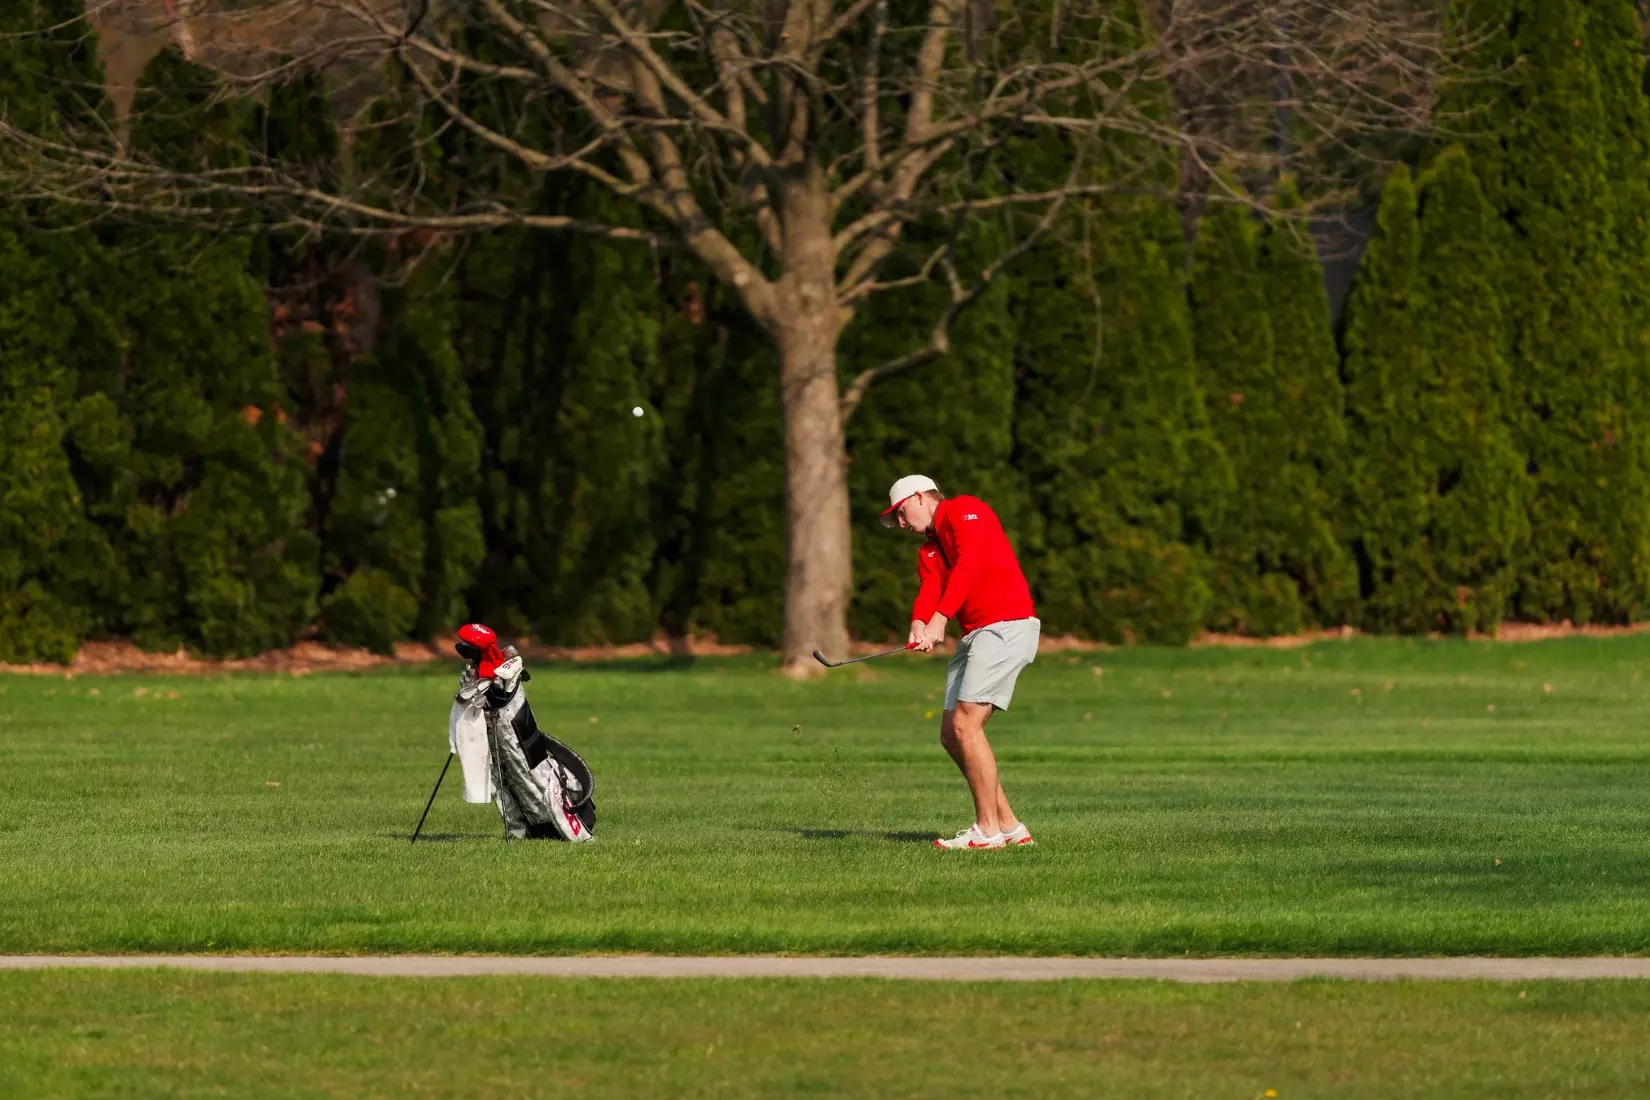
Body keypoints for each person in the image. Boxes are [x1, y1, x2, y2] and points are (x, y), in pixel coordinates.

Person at [881, 475, 1041, 850]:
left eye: (901, 513)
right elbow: (930, 588)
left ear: (920, 497)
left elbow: (971, 563)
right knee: (952, 734)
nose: (901, 524)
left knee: (966, 724)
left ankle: (986, 831)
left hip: (1006, 625)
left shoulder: (964, 510)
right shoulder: (929, 550)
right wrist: (919, 621)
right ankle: (1010, 826)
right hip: (975, 634)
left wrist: (940, 619)